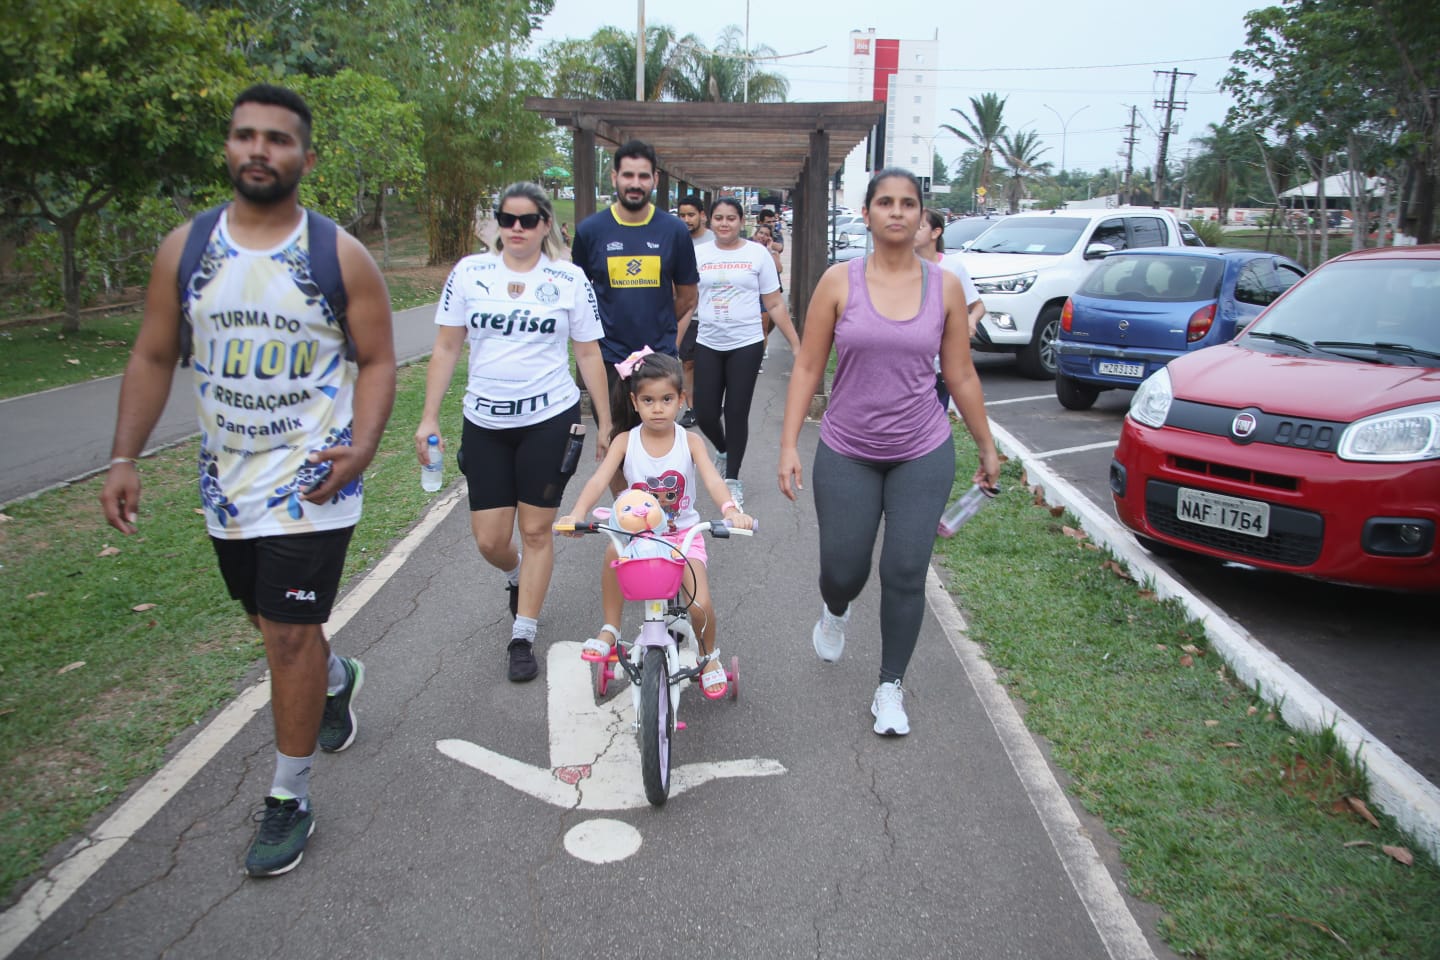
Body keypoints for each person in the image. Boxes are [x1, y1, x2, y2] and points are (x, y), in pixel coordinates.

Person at [100, 84, 396, 876]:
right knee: (271, 630)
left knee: (290, 636)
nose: (259, 150)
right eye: (245, 136)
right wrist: (124, 456)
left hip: (313, 481)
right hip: (226, 485)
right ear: (228, 147)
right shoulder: (188, 249)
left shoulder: (337, 255)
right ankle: (336, 681)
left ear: (305, 155)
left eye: (277, 138)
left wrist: (362, 448)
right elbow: (154, 356)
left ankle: (288, 795)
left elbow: (376, 360)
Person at [778, 168, 1001, 738]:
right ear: (868, 213)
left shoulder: (944, 286)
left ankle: (890, 686)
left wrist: (986, 445)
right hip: (847, 448)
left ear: (922, 216)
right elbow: (808, 365)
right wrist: (787, 445)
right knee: (843, 570)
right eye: (885, 203)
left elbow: (960, 372)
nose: (897, 212)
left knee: (905, 571)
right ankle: (835, 609)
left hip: (922, 449)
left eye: (908, 204)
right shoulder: (838, 282)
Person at [416, 182, 612, 683]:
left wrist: (605, 424)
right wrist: (428, 417)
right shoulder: (470, 273)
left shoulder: (567, 278)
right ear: (497, 223)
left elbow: (588, 353)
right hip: (485, 420)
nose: (517, 229)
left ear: (546, 224)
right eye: (507, 219)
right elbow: (446, 348)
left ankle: (522, 635)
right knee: (490, 539)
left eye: (528, 220)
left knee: (536, 529)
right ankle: (514, 573)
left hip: (549, 416)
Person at [559, 351, 753, 699]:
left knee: (699, 603)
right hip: (639, 535)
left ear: (681, 399)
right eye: (648, 400)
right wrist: (577, 512)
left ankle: (708, 656)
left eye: (666, 399)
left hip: (683, 536)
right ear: (635, 402)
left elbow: (712, 479)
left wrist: (730, 509)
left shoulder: (689, 441)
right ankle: (610, 629)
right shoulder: (625, 441)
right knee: (611, 550)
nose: (658, 408)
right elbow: (599, 479)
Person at [569, 140, 699, 432]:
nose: (635, 183)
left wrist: (663, 329)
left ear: (654, 179)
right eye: (628, 175)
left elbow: (688, 297)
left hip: (659, 358)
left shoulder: (674, 230)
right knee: (614, 443)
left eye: (643, 176)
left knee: (657, 443)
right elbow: (577, 294)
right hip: (609, 357)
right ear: (614, 177)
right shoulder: (590, 231)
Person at [689, 198, 800, 509]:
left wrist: (795, 343)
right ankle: (724, 449)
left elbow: (775, 303)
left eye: (731, 218)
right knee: (705, 411)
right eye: (719, 218)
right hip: (709, 341)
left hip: (746, 343)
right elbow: (686, 300)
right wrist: (672, 335)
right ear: (709, 221)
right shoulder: (698, 254)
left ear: (742, 222)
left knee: (737, 411)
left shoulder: (757, 254)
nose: (725, 223)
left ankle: (732, 479)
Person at [914, 207, 987, 408]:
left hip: (939, 366)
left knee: (934, 422)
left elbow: (978, 305)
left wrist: (971, 321)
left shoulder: (953, 268)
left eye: (919, 227)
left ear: (935, 233)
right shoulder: (900, 267)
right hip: (908, 366)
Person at [674, 194, 713, 428]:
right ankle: (692, 408)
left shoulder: (715, 239)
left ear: (702, 215)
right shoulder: (677, 239)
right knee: (687, 363)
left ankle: (711, 403)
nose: (686, 219)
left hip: (713, 314)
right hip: (688, 313)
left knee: (710, 364)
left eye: (691, 215)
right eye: (682, 215)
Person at [749, 222, 784, 367]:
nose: (763, 236)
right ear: (755, 234)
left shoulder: (770, 252)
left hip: (765, 294)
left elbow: (779, 268)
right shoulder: (746, 248)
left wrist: (770, 250)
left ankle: (758, 360)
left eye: (766, 235)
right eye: (760, 233)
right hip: (750, 292)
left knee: (763, 328)